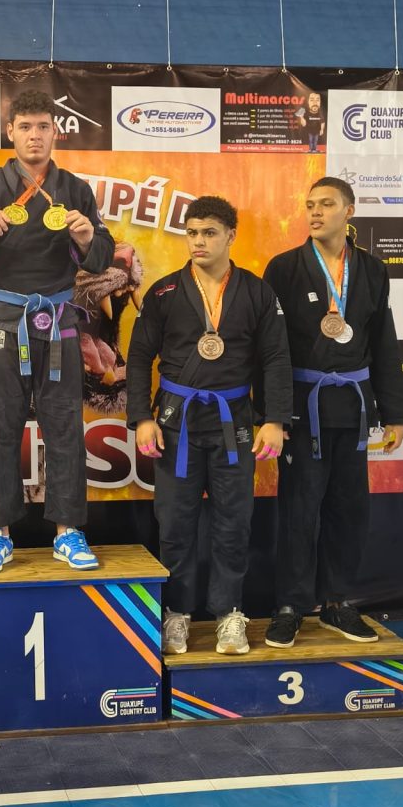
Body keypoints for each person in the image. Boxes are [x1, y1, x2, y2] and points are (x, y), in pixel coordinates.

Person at [0, 90, 115, 572]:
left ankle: (68, 531)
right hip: (3, 321)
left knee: (65, 427)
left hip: (58, 322)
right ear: (10, 132)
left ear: (55, 132)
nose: (34, 136)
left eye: (42, 127)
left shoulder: (75, 189)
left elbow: (101, 255)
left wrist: (87, 237)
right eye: (25, 127)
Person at [127, 196, 292, 655]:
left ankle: (229, 614)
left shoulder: (257, 292)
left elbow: (276, 359)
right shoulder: (164, 293)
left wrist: (274, 419)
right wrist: (141, 417)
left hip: (233, 423)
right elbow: (138, 358)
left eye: (209, 233)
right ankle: (176, 613)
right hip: (175, 423)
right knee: (174, 523)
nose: (198, 241)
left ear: (230, 236)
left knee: (233, 522)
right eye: (192, 233)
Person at [263, 177, 403, 648]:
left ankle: (337, 602)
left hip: (354, 405)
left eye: (326, 204)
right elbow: (271, 348)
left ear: (349, 210)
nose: (315, 212)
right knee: (299, 509)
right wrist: (273, 413)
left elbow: (383, 342)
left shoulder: (372, 269)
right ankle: (290, 605)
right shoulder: (284, 268)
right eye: (310, 204)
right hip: (303, 407)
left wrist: (394, 412)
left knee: (349, 509)